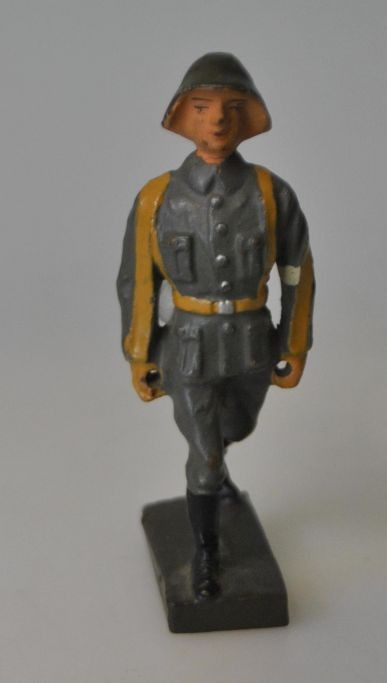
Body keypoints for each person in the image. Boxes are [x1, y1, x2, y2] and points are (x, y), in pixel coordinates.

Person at [117, 53, 315, 600]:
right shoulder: (158, 198)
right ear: (184, 115)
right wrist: (140, 354)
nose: (218, 120)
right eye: (203, 107)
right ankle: (206, 556)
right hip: (189, 350)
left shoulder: (272, 194)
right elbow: (138, 280)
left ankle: (218, 471)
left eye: (232, 107)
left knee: (236, 429)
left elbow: (297, 272)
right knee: (204, 456)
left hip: (252, 347)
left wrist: (294, 344)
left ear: (249, 115)